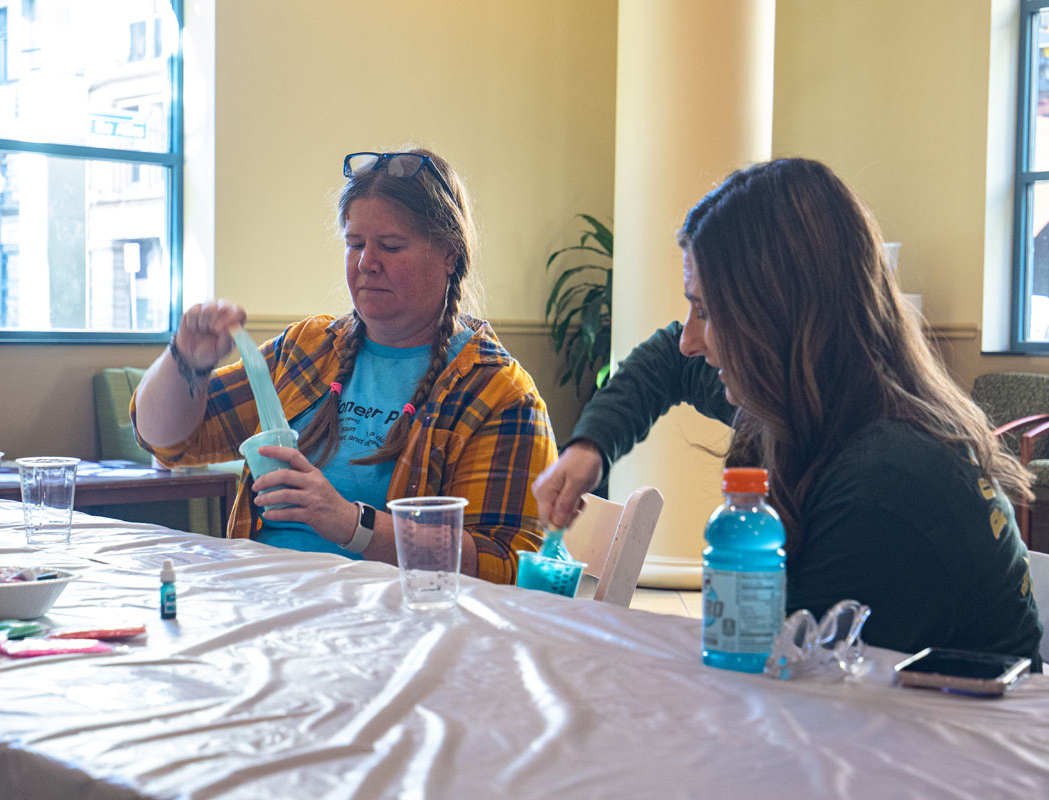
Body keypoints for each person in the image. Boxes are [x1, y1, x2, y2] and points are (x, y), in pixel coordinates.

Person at [533, 158, 1042, 664]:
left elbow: (786, 688)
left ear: (776, 319)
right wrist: (589, 448)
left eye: (708, 312)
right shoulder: (817, 400)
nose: (691, 339)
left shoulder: (883, 482)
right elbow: (668, 358)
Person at [133, 148, 556, 584]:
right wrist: (186, 360)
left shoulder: (498, 393)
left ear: (449, 253)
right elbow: (166, 441)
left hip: (395, 627)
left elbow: (506, 566)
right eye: (355, 243)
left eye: (391, 246)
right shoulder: (309, 349)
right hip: (263, 599)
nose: (366, 263)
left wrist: (352, 525)